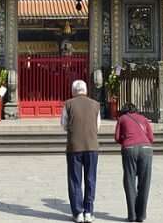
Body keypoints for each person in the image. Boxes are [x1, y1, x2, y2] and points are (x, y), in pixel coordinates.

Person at [61, 80, 100, 223]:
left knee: (75, 180)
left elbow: (64, 124)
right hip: (92, 146)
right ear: (86, 90)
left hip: (74, 147)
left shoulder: (68, 104)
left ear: (73, 91)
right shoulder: (96, 104)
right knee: (90, 179)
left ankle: (77, 213)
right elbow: (98, 126)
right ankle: (88, 212)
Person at [115, 103, 154, 223]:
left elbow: (117, 137)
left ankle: (132, 215)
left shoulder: (122, 119)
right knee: (144, 182)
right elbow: (151, 138)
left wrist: (127, 141)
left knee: (129, 180)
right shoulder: (143, 119)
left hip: (129, 149)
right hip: (147, 149)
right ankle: (141, 215)